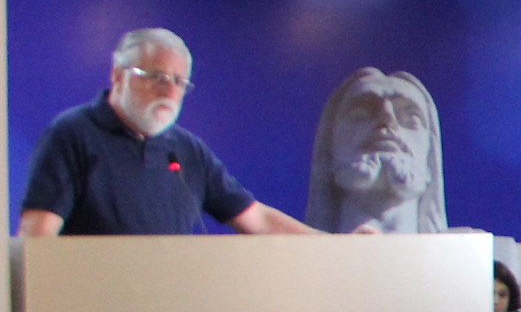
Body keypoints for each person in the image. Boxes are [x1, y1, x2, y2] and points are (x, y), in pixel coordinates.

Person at [19, 27, 320, 238]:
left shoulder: (188, 150)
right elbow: (37, 237)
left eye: (179, 81)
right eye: (157, 77)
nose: (169, 91)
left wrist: (334, 246)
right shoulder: (71, 134)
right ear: (118, 75)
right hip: (92, 302)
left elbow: (258, 220)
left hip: (172, 303)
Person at [306, 67, 448, 233]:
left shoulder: (463, 248)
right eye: (360, 115)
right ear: (329, 151)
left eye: (411, 119)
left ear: (430, 159)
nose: (386, 118)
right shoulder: (291, 248)